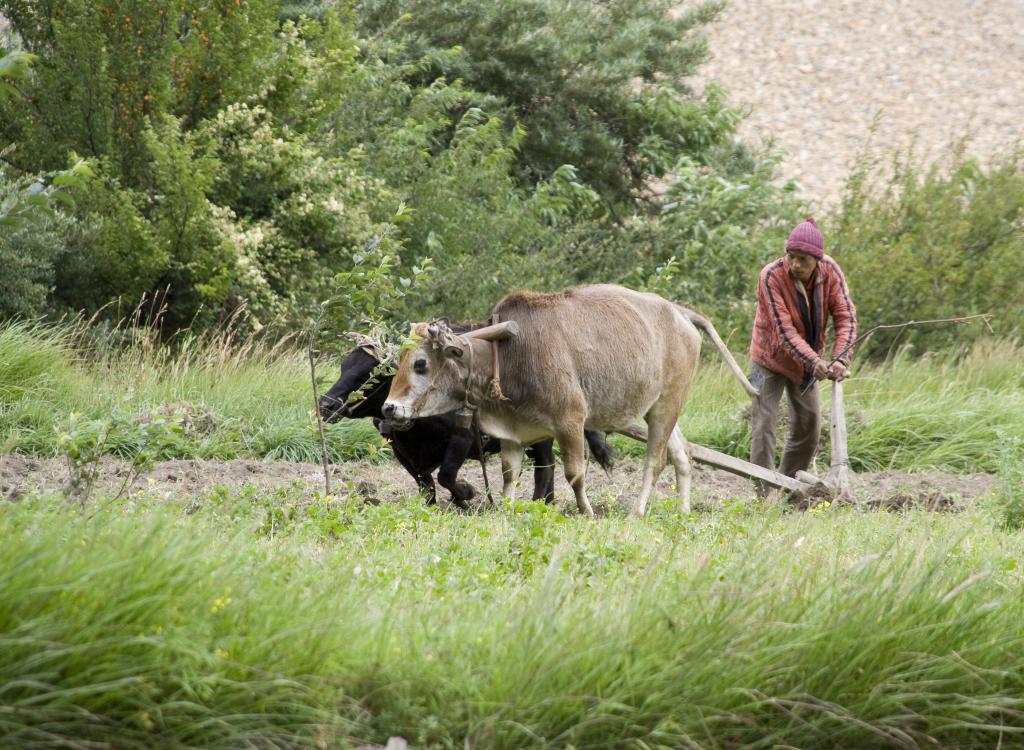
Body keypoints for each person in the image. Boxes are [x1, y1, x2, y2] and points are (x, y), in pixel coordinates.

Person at [749, 216, 857, 479]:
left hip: (806, 364)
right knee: (764, 426)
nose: (795, 264)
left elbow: (845, 316)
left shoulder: (831, 272)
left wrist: (840, 360)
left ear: (817, 260)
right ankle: (764, 495)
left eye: (803, 259)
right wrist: (816, 362)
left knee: (809, 428)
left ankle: (787, 485)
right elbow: (784, 331)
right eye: (791, 256)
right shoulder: (771, 276)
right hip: (769, 358)